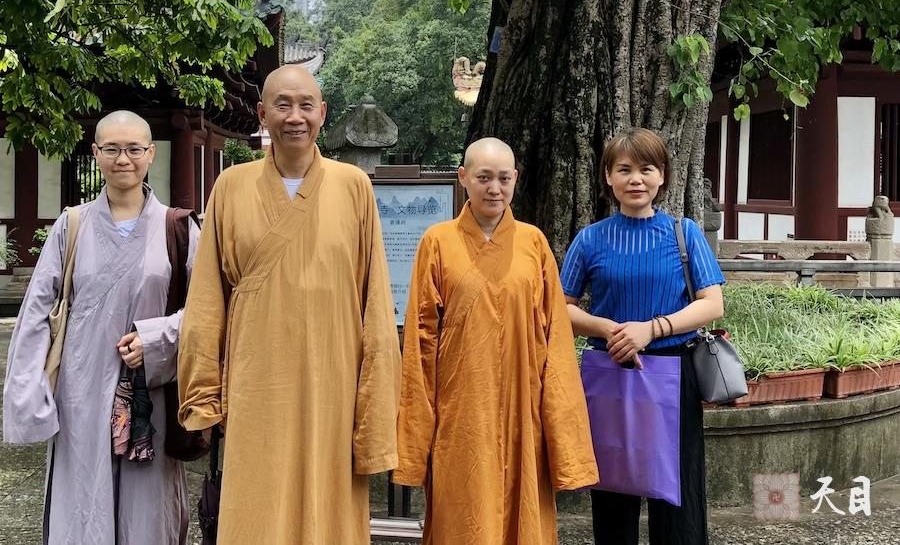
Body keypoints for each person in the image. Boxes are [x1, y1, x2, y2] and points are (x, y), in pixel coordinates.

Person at [177, 64, 400, 545]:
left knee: (331, 509)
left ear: (322, 113)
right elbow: (206, 303)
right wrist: (203, 392)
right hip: (257, 384)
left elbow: (376, 303)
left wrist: (376, 405)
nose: (294, 117)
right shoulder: (231, 187)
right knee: (257, 508)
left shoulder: (353, 186)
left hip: (334, 381)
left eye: (305, 106)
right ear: (262, 114)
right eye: (282, 105)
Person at [3, 110, 199, 545]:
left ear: (150, 154)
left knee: (146, 512)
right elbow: (37, 312)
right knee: (82, 506)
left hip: (151, 394)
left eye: (133, 149)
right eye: (111, 149)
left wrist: (156, 340)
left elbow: (208, 312)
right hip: (81, 392)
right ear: (95, 153)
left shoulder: (179, 228)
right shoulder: (71, 226)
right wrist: (29, 394)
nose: (122, 159)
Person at [395, 137, 599, 544]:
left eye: (504, 178)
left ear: (515, 180)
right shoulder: (437, 241)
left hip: (525, 407)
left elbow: (556, 338)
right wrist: (418, 435)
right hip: (460, 412)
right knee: (463, 517)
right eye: (484, 177)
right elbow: (419, 343)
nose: (494, 188)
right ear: (463, 178)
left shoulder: (533, 242)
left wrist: (561, 428)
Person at [561, 127, 726, 545]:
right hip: (609, 373)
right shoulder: (590, 239)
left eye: (647, 169)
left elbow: (712, 304)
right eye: (624, 169)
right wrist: (609, 330)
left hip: (673, 371)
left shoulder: (684, 234)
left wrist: (650, 329)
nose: (636, 179)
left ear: (663, 176)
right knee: (613, 487)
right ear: (608, 178)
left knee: (678, 494)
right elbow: (559, 307)